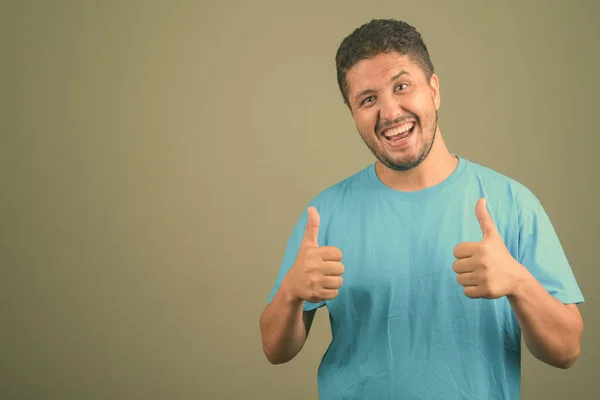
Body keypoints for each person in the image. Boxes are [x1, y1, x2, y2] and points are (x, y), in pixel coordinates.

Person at [259, 19, 584, 399]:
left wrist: (519, 284)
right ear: (352, 113)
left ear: (434, 89)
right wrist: (291, 294)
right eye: (368, 99)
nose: (390, 111)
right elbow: (275, 350)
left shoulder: (512, 203)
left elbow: (566, 351)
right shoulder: (324, 214)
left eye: (402, 86)